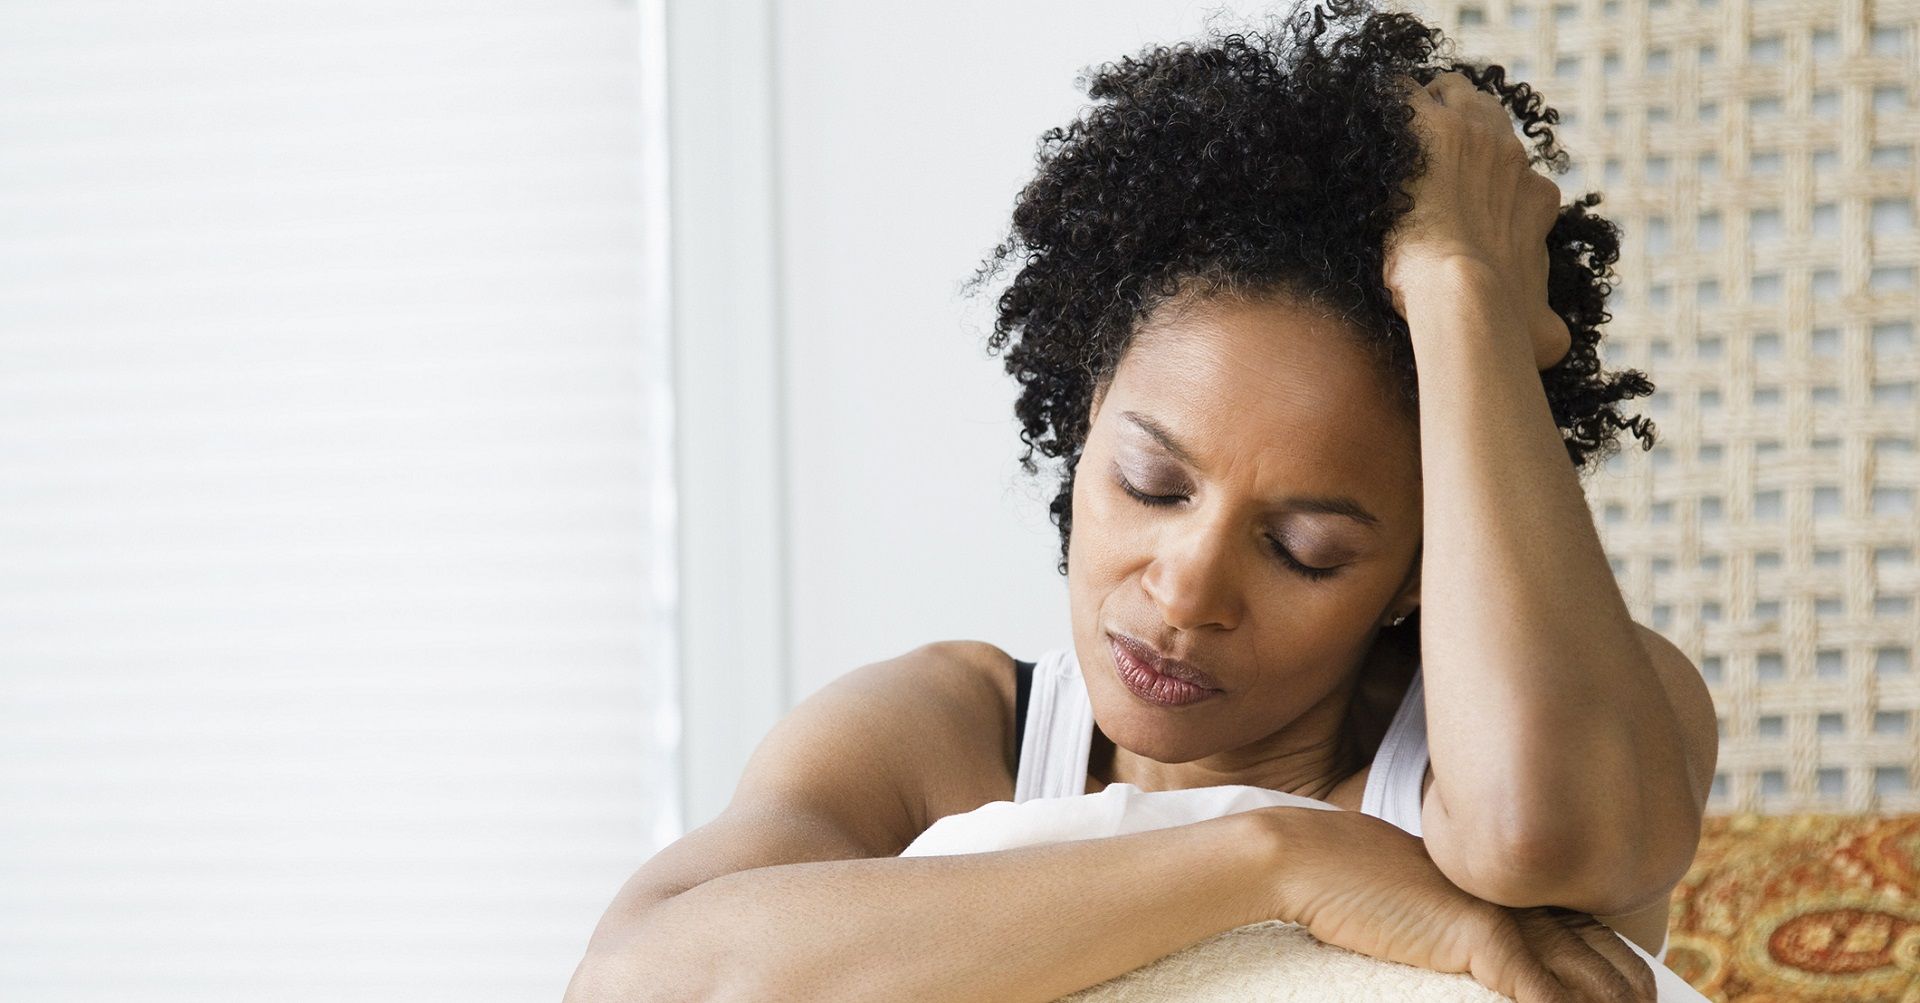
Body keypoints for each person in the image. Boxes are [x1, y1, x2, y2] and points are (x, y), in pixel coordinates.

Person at [564, 2, 1719, 1000]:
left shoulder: (1583, 721)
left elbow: (1536, 830)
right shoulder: (943, 739)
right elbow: (639, 983)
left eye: (1306, 549)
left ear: (1424, 562)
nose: (1186, 587)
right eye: (1152, 483)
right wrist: (1279, 861)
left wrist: (1459, 288)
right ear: (1080, 419)